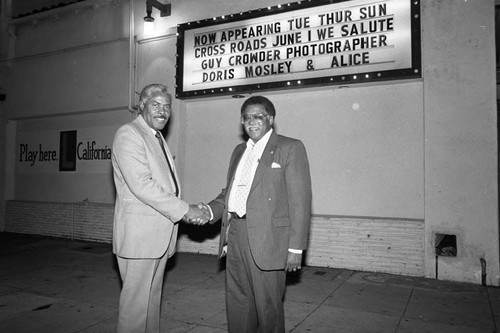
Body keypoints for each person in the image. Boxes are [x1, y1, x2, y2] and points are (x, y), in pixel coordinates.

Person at [206, 95, 312, 333]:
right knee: (238, 305)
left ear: (270, 119)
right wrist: (209, 210)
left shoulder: (289, 147)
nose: (251, 122)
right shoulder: (238, 151)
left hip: (269, 241)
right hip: (235, 236)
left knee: (268, 310)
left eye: (258, 116)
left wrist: (295, 248)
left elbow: (300, 202)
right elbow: (231, 192)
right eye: (246, 117)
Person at [111, 83, 209, 333]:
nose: (163, 111)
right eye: (155, 105)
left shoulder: (155, 137)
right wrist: (186, 210)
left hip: (157, 236)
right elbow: (142, 185)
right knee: (135, 310)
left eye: (167, 107)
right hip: (140, 238)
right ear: (141, 105)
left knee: (150, 305)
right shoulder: (129, 134)